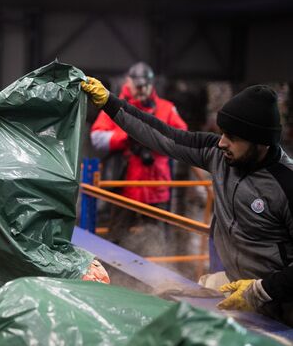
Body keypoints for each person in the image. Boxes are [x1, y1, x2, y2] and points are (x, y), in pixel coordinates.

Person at [82, 77, 293, 326]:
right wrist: (110, 103)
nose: (222, 142)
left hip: (282, 301)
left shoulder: (285, 185)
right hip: (240, 292)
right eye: (222, 132)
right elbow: (162, 135)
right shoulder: (217, 154)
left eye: (233, 137)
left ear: (261, 143)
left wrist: (262, 290)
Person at [90, 62, 187, 256]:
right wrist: (125, 138)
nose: (142, 89)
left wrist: (154, 141)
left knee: (156, 240)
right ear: (129, 82)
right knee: (116, 238)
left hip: (156, 188)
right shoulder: (115, 107)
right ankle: (113, 276)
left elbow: (182, 138)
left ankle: (157, 278)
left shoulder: (166, 109)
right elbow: (97, 137)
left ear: (151, 84)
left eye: (145, 85)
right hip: (124, 187)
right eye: (138, 85)